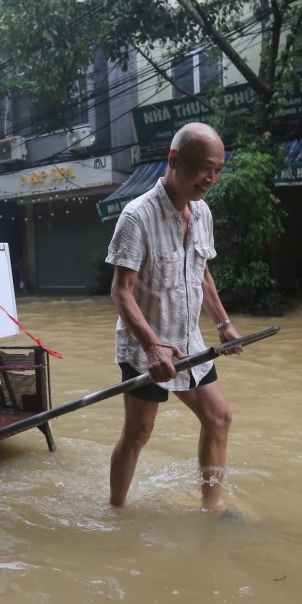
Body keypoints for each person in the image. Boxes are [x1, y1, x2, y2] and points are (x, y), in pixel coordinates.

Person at [104, 122, 242, 514]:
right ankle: (116, 510)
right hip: (145, 347)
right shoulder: (137, 217)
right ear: (174, 160)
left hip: (189, 341)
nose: (211, 179)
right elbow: (121, 291)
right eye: (204, 169)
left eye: (217, 170)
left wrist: (223, 324)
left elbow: (202, 274)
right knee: (138, 433)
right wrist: (152, 346)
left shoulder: (202, 214)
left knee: (219, 417)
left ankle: (211, 510)